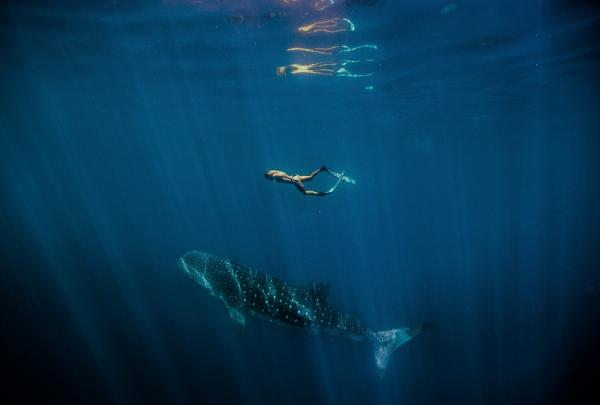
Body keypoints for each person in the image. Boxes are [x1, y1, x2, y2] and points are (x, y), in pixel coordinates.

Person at [264, 166, 343, 196]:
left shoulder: (274, 175)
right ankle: (322, 169)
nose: (269, 179)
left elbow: (282, 175)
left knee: (305, 192)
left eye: (267, 178)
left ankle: (323, 193)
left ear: (268, 174)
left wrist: (291, 180)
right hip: (296, 176)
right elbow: (281, 174)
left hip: (294, 180)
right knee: (311, 177)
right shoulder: (275, 171)